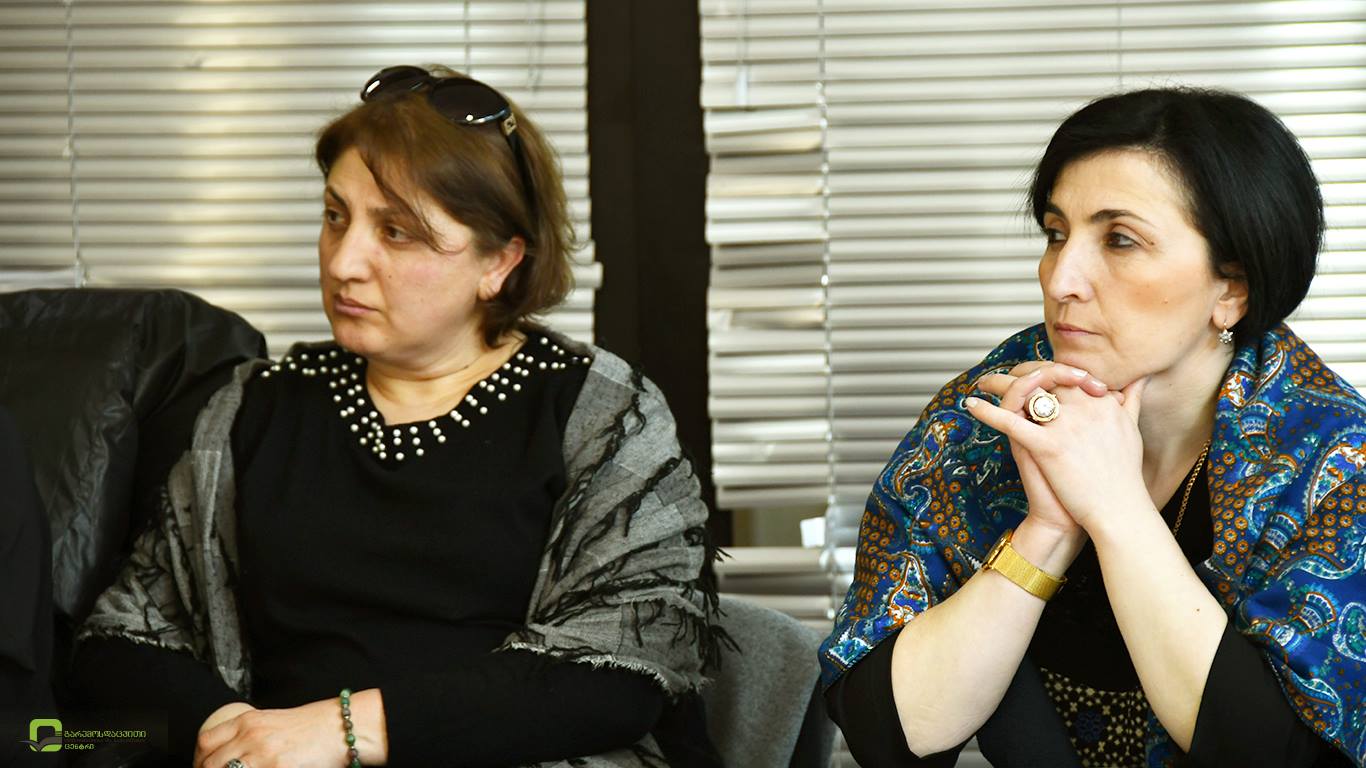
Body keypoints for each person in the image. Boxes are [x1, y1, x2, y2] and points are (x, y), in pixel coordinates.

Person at [71, 65, 722, 768]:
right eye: (335, 216)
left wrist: (344, 730)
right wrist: (237, 731)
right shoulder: (254, 406)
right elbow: (120, 641)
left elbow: (622, 671)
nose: (344, 262)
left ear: (500, 263)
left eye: (397, 232)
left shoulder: (601, 414)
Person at [819, 87, 1365, 768]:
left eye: (1120, 240)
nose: (1060, 279)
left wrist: (1114, 507)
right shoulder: (988, 412)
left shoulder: (1337, 461)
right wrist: (1045, 533)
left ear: (1232, 287)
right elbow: (889, 732)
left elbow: (1282, 755)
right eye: (1056, 234)